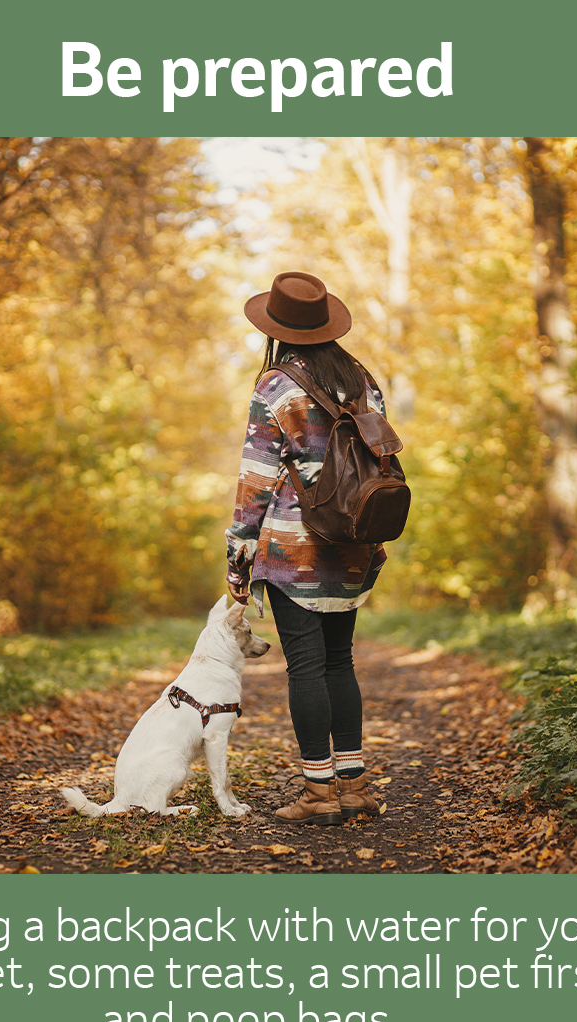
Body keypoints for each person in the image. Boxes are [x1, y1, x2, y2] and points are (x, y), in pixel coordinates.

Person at [225, 271, 386, 826]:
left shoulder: (275, 386)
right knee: (340, 662)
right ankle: (355, 786)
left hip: (295, 551)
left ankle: (319, 793)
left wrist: (239, 554)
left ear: (277, 328)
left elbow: (257, 479)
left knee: (306, 668)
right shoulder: (361, 378)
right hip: (353, 542)